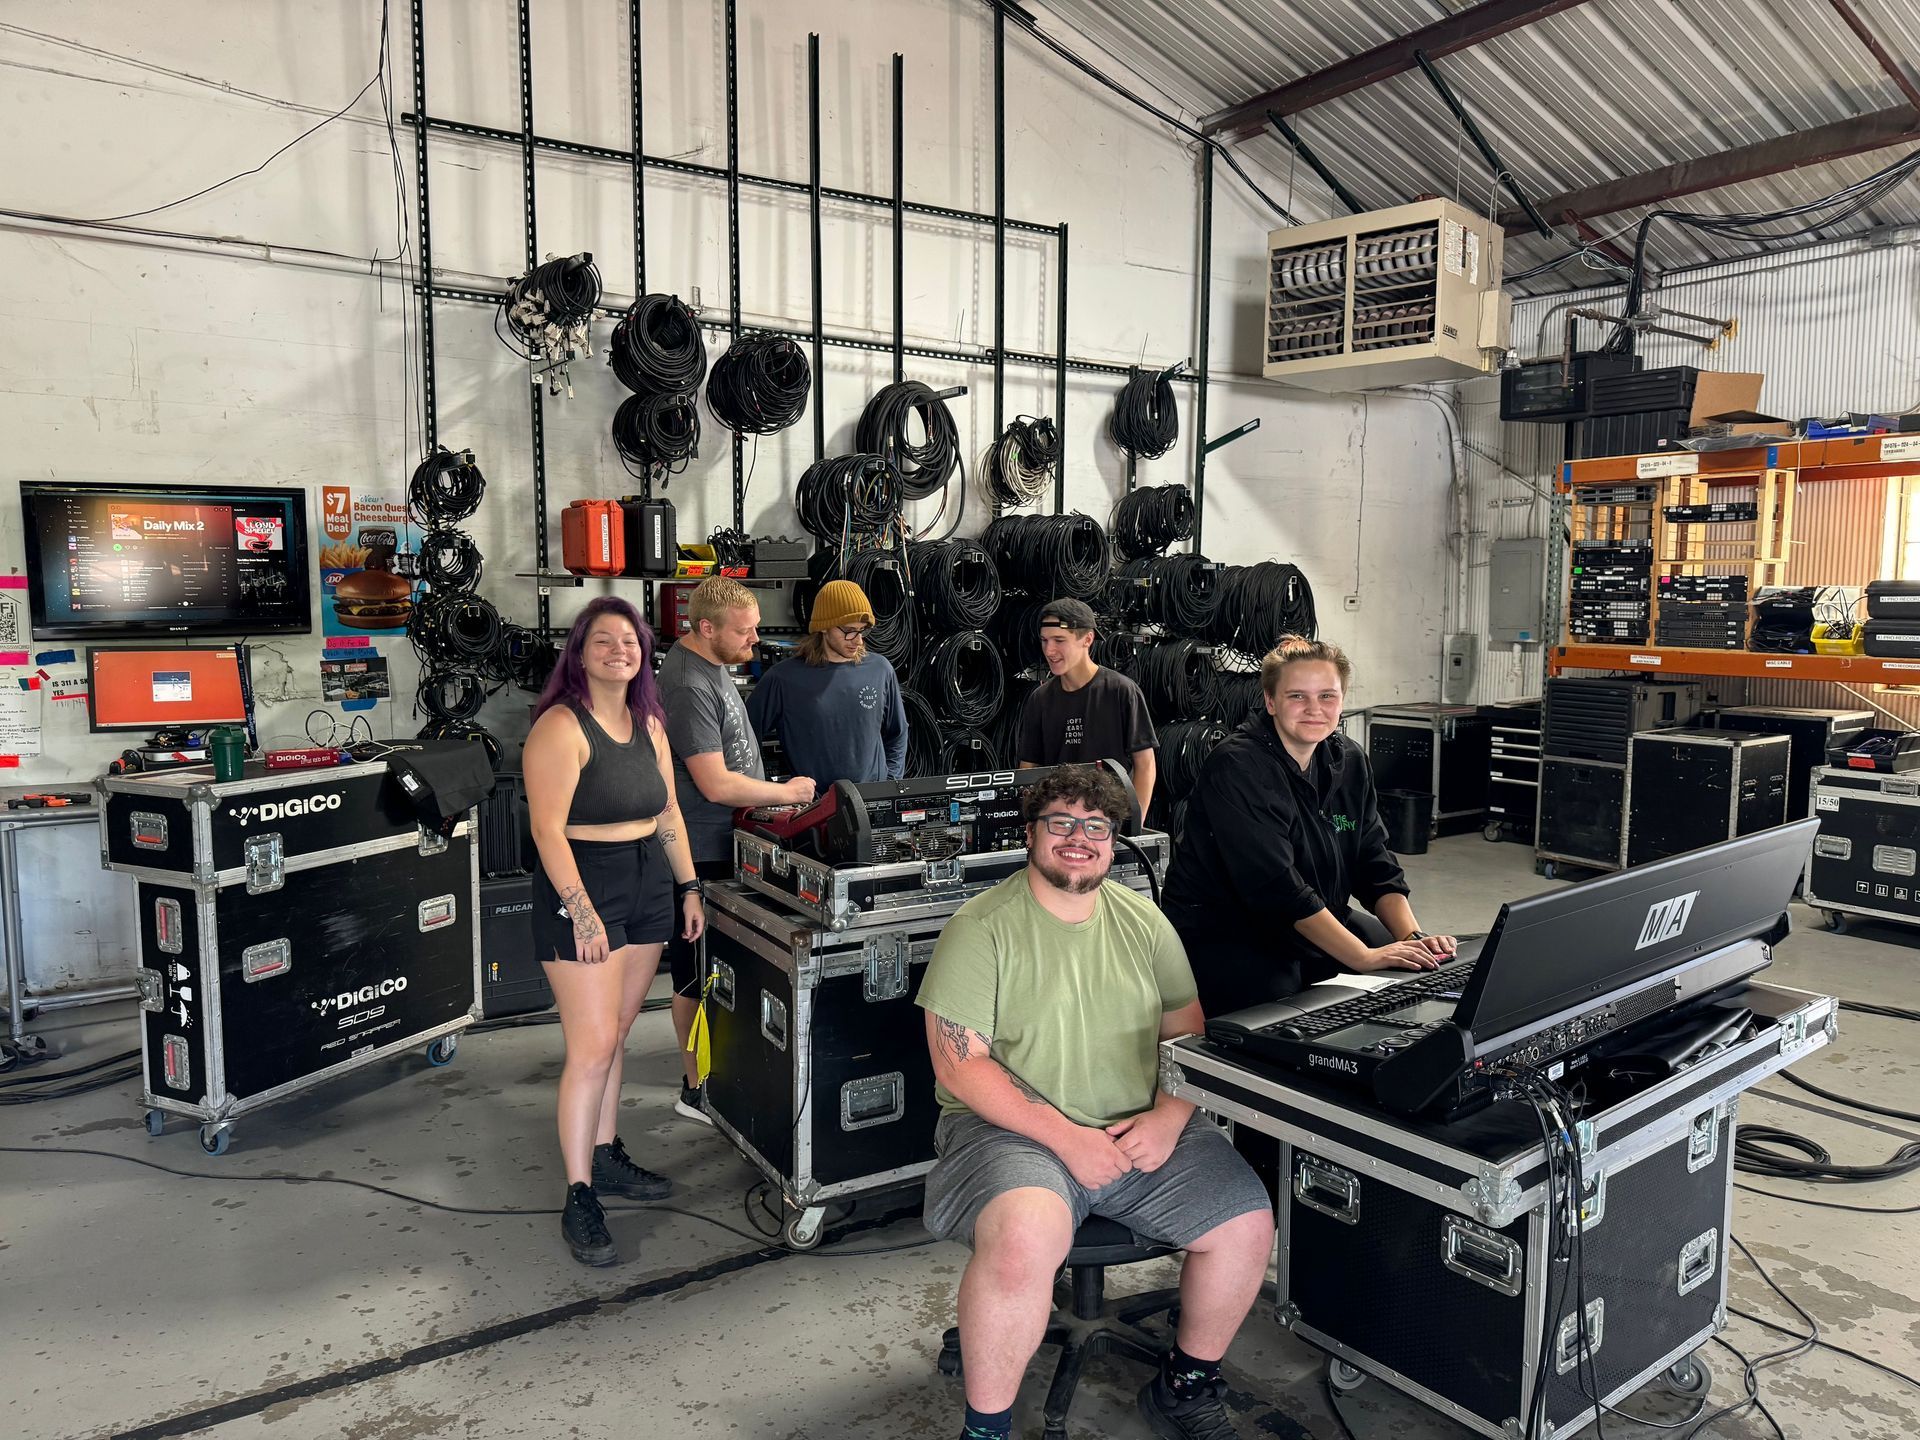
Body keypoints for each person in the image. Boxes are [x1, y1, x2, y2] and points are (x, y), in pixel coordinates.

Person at [917, 763, 1275, 1440]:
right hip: (1010, 1131)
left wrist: (1170, 1117)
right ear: (1030, 835)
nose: (1079, 838)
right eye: (1061, 823)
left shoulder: (1144, 921)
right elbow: (960, 1065)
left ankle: (1184, 1386)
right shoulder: (981, 927)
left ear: (1113, 843)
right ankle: (986, 1430)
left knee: (1248, 1225)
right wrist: (1066, 1137)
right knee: (1026, 1238)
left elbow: (1186, 1029)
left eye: (1097, 827)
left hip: (1138, 1126)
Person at [523, 597, 707, 1268]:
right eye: (603, 641)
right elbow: (546, 829)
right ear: (579, 653)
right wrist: (581, 909)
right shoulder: (559, 727)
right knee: (592, 1044)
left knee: (620, 1030)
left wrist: (687, 886)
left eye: (628, 641)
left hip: (646, 877)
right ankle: (579, 1192)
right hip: (583, 879)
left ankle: (605, 1156)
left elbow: (669, 816)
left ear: (642, 654)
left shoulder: (648, 723)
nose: (618, 651)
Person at [1162, 635, 1457, 1020]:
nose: (1314, 709)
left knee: (1411, 976)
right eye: (1297, 696)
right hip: (1233, 930)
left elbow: (1374, 862)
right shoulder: (1237, 765)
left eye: (1327, 696)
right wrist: (1363, 957)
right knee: (1281, 1016)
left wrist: (1412, 939)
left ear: (1342, 701)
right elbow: (1275, 887)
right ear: (1270, 702)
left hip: (1315, 916)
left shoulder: (1348, 760)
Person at [657, 578, 816, 1124]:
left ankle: (720, 1074)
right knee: (694, 974)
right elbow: (716, 785)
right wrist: (787, 793)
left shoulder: (712, 664)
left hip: (727, 843)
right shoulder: (687, 684)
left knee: (720, 972)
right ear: (706, 628)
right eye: (744, 631)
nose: (755, 639)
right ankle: (696, 1087)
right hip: (700, 852)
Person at [747, 578, 908, 788]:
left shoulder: (880, 670)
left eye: (862, 630)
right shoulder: (784, 678)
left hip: (871, 802)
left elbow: (898, 733)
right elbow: (745, 738)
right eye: (849, 630)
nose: (858, 640)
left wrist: (890, 784)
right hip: (814, 809)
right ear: (824, 627)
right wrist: (770, 791)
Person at [1015, 598, 1158, 816]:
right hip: (1058, 821)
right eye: (1044, 640)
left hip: (1107, 820)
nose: (1049, 650)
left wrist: (1133, 826)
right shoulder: (1040, 699)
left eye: (1059, 640)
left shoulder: (1121, 691)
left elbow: (1145, 765)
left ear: (1087, 639)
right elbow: (1028, 768)